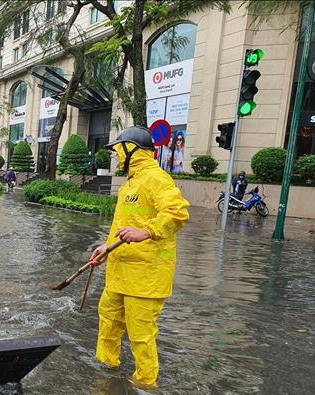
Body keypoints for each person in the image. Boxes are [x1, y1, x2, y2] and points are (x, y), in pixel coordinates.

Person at [89, 126, 190, 390]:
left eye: (119, 149)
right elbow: (125, 226)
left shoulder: (157, 179)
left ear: (131, 149)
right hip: (119, 271)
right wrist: (105, 247)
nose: (116, 155)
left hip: (146, 278)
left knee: (141, 335)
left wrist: (146, 232)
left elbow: (178, 213)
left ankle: (145, 385)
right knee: (108, 322)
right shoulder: (130, 184)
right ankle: (105, 375)